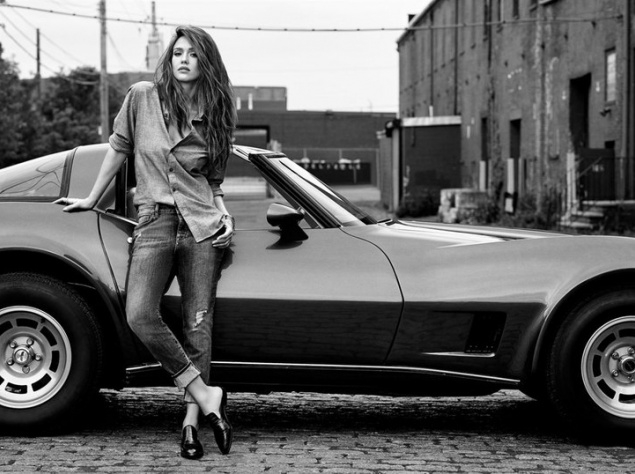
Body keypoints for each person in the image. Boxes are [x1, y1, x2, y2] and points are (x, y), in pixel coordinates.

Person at [55, 25, 237, 460]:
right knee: (139, 313)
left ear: (206, 61)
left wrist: (225, 214)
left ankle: (191, 424)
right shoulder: (142, 97)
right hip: (154, 220)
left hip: (202, 226)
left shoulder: (217, 113)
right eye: (178, 53)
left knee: (197, 324)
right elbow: (118, 149)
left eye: (193, 54)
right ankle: (206, 395)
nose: (183, 60)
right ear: (168, 58)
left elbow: (213, 183)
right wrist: (91, 198)